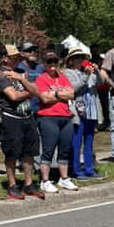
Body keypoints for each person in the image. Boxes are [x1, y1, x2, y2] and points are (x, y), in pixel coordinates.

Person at [0, 45, 44, 200]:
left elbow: (37, 92)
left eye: (18, 57)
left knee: (30, 152)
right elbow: (13, 96)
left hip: (27, 116)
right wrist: (30, 91)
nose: (17, 59)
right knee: (12, 152)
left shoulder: (21, 72)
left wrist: (22, 79)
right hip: (11, 118)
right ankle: (12, 185)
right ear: (5, 58)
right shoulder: (0, 74)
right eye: (13, 56)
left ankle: (28, 184)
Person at [35, 50, 77, 193]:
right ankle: (45, 180)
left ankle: (64, 178)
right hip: (48, 117)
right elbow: (44, 98)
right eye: (49, 62)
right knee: (48, 150)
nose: (53, 64)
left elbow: (71, 94)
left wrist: (55, 94)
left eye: (55, 61)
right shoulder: (41, 78)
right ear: (44, 64)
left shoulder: (63, 77)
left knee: (64, 149)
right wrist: (61, 94)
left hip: (65, 117)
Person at [64, 46, 102, 181]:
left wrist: (96, 72)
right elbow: (73, 88)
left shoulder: (89, 72)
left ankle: (89, 169)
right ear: (71, 60)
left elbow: (100, 83)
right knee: (76, 141)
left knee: (89, 141)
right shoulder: (68, 72)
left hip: (91, 110)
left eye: (83, 58)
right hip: (78, 111)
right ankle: (75, 170)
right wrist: (85, 75)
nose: (81, 60)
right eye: (77, 58)